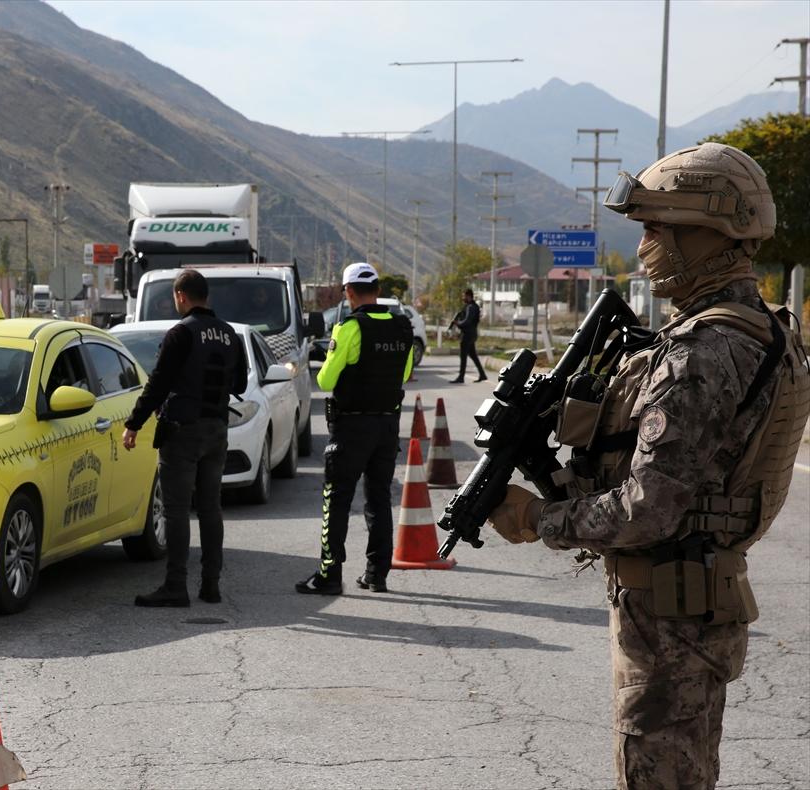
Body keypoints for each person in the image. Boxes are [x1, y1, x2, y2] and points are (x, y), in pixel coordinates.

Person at [486, 142, 809, 789]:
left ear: (708, 234)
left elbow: (649, 507)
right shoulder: (765, 329)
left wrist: (538, 517)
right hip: (692, 609)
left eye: (657, 229)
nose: (644, 248)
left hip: (671, 621)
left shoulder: (703, 351)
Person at [123, 269, 247, 607]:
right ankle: (211, 585)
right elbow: (239, 385)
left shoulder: (181, 333)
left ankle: (176, 585)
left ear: (181, 296)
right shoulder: (230, 335)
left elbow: (158, 383)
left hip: (182, 432)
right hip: (217, 431)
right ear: (207, 297)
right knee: (210, 508)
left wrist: (134, 423)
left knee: (176, 511)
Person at [295, 262, 414, 595]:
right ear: (377, 289)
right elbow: (403, 375)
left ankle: (329, 576)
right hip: (388, 426)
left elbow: (326, 379)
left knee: (337, 498)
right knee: (378, 499)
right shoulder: (402, 326)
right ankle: (376, 574)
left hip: (352, 426)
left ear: (348, 292)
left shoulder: (349, 327)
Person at [448, 288, 486, 383]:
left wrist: (458, 323)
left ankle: (461, 377)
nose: (463, 298)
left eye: (464, 296)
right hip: (471, 334)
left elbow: (467, 321)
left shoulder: (471, 307)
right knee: (473, 355)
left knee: (463, 356)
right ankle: (482, 374)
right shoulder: (470, 306)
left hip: (467, 334)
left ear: (469, 296)